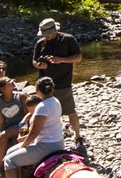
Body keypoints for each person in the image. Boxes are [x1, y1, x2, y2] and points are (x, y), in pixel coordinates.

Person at [0, 76, 67, 178]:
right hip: (55, 142)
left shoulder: (42, 106)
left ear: (37, 90)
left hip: (46, 146)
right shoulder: (55, 101)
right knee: (10, 151)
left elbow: (34, 133)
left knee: (9, 161)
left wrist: (24, 144)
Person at [32, 17, 84, 146]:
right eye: (44, 35)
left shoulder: (67, 39)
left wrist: (61, 60)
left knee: (70, 111)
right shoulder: (40, 43)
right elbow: (34, 61)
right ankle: (48, 136)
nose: (46, 37)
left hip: (62, 83)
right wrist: (39, 65)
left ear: (55, 31)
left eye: (48, 34)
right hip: (44, 85)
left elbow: (78, 58)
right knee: (44, 112)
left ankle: (77, 135)